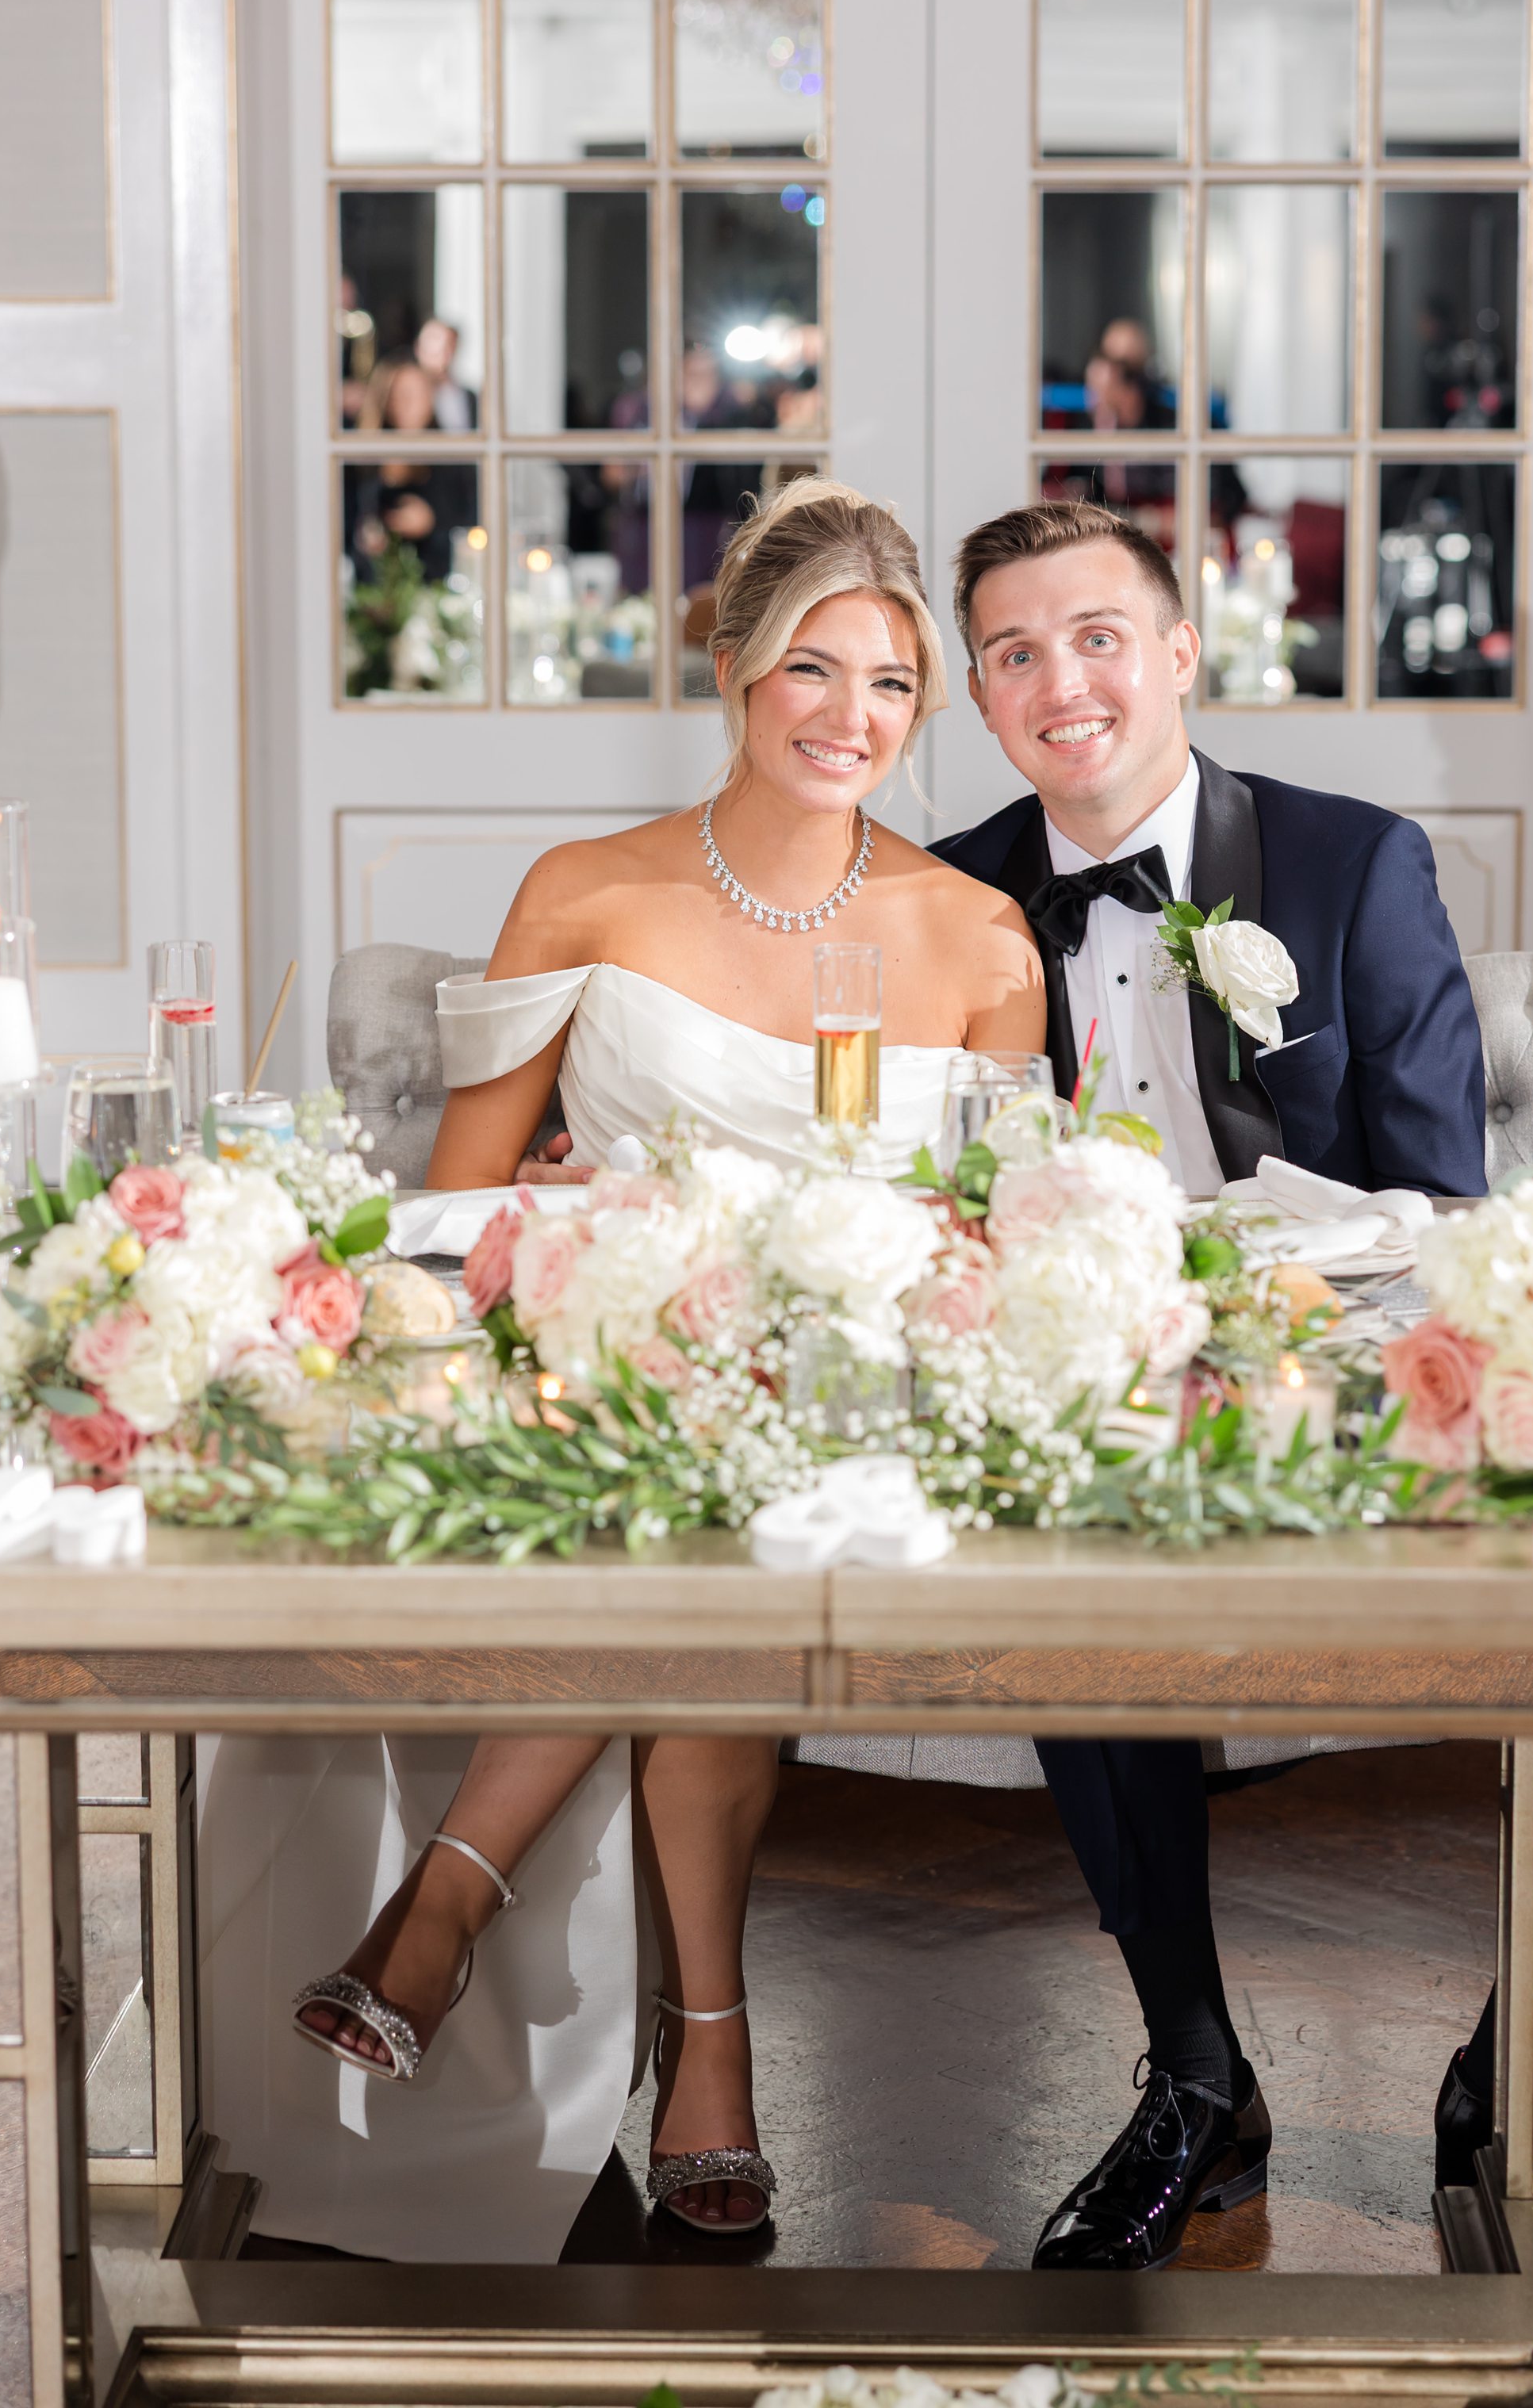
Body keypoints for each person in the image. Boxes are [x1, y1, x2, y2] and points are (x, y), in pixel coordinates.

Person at [229, 480, 1041, 2261]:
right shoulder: (586, 894)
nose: (851, 718)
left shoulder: (981, 942)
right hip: (604, 1369)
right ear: (736, 671)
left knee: (726, 1483)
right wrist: (579, 1264)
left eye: (894, 685)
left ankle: (438, 1907)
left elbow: (997, 1234)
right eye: (811, 670)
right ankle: (714, 2053)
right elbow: (457, 1206)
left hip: (861, 1391)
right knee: (685, 1491)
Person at [934, 496, 1487, 2271]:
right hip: (1079, 1394)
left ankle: (1522, 2029)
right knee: (1059, 1537)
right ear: (978, 693)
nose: (1060, 682)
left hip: (1318, 1366)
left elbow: (1442, 1213)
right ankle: (1195, 2071)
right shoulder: (951, 896)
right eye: (1014, 653)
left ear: (1179, 652)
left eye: (1097, 636)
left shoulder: (1350, 863)